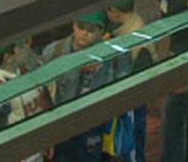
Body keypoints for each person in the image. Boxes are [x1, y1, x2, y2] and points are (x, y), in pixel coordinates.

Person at [42, 11, 130, 161]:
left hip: (96, 126)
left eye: (90, 29)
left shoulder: (113, 56)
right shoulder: (54, 52)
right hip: (63, 128)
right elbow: (43, 92)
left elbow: (123, 89)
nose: (84, 33)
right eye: (80, 27)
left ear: (101, 31)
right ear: (73, 26)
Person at [107, 0, 156, 162]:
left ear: (114, 11)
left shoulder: (131, 37)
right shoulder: (135, 23)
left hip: (133, 99)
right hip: (137, 97)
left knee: (132, 140)